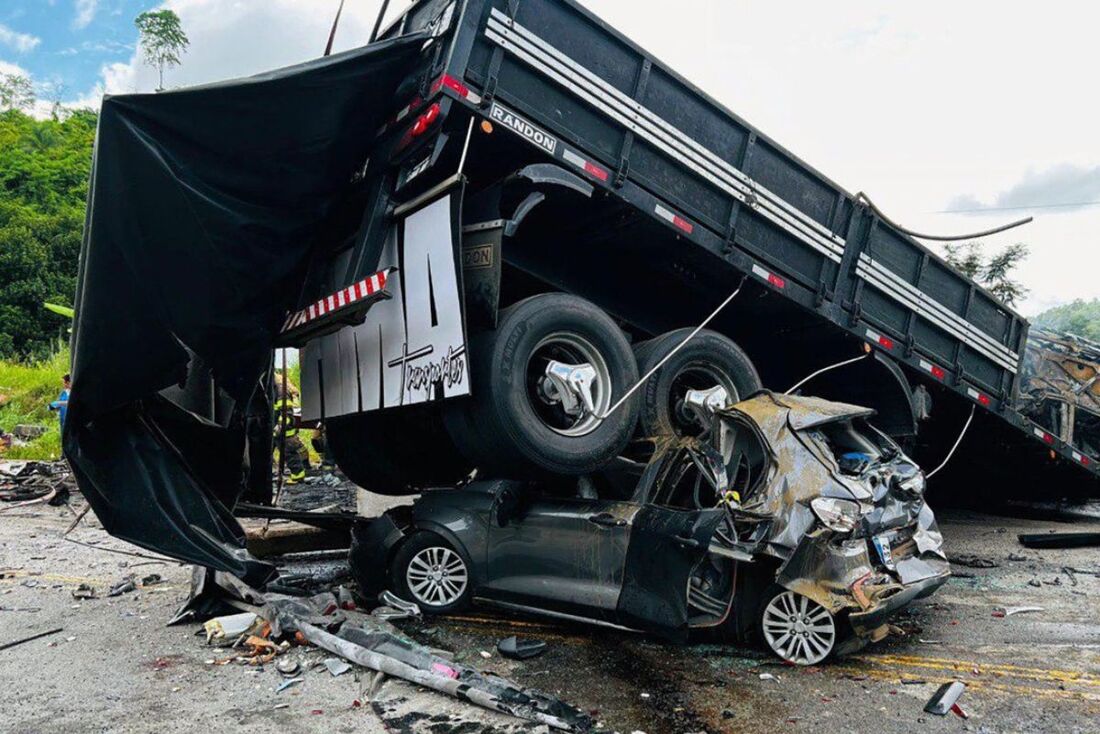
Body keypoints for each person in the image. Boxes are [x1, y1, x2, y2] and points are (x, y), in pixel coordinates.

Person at [273, 370, 310, 485]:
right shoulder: (280, 388)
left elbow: (285, 412)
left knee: (289, 453)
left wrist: (279, 427)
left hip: (284, 429)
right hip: (281, 427)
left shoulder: (280, 390)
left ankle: (298, 476)